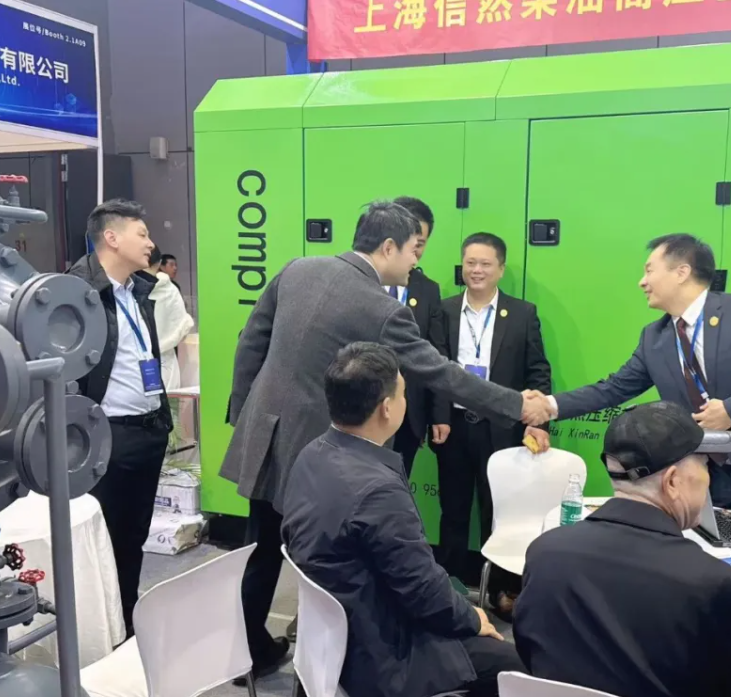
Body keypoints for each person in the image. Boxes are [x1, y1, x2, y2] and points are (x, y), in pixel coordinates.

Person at [224, 200, 552, 680]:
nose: (417, 261)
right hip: (316, 448)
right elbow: (439, 372)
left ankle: (247, 650)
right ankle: (325, 661)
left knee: (262, 548)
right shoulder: (380, 308)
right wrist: (516, 404)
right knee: (326, 562)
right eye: (415, 250)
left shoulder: (298, 268)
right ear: (389, 247)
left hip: (266, 433)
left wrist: (244, 413)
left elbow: (252, 339)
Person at [282, 342, 526, 697]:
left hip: (330, 638)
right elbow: (424, 592)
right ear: (386, 408)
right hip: (382, 653)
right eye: (403, 394)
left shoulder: (311, 454)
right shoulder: (378, 490)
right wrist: (473, 618)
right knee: (516, 666)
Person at [535, 234, 731, 538]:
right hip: (703, 483)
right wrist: (548, 406)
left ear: (681, 272)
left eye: (649, 270)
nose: (642, 282)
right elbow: (614, 388)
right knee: (712, 565)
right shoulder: (654, 338)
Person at [513, 401, 731, 697]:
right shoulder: (717, 585)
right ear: (672, 482)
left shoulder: (545, 552)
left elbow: (532, 654)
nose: (707, 478)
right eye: (705, 465)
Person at [68, 199, 172, 638]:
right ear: (111, 237)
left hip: (148, 432)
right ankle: (102, 635)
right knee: (103, 542)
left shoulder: (138, 291)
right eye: (142, 234)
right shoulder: (77, 293)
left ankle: (127, 624)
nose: (150, 243)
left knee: (133, 538)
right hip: (105, 437)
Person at [434, 232, 551, 617]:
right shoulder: (444, 311)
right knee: (453, 510)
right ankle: (449, 587)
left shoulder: (522, 314)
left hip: (501, 427)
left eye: (485, 264)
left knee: (498, 511)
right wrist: (438, 416)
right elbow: (433, 368)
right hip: (453, 426)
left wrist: (539, 422)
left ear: (500, 269)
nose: (477, 270)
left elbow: (537, 370)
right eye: (470, 262)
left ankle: (501, 589)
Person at [384, 196, 450, 474]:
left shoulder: (427, 290)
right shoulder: (359, 281)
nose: (415, 251)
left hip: (408, 415)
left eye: (421, 243)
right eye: (411, 242)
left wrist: (440, 414)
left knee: (396, 486)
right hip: (359, 413)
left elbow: (436, 354)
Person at [145, 246, 194, 390]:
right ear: (159, 263)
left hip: (141, 362)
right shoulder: (171, 290)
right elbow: (183, 326)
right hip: (166, 360)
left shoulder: (128, 289)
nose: (175, 268)